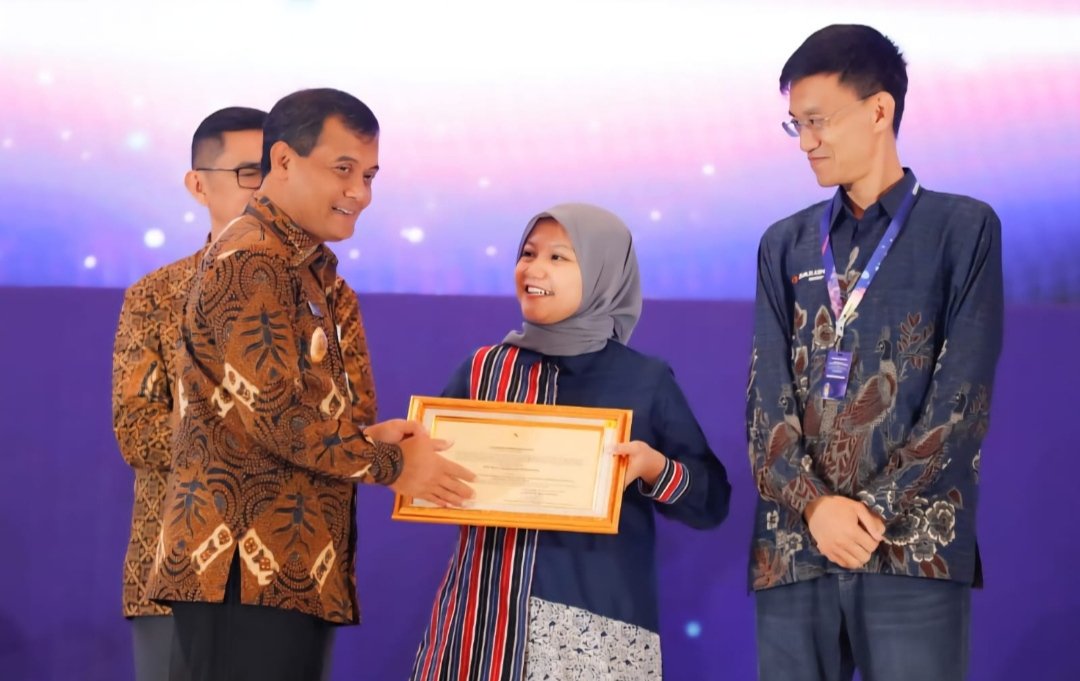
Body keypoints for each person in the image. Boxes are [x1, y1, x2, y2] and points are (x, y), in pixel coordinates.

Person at [146, 88, 474, 681]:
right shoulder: (254, 260)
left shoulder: (301, 267)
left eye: (369, 175)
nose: (360, 192)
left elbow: (276, 411)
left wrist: (364, 439)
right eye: (342, 169)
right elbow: (279, 419)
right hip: (242, 571)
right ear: (283, 161)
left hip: (285, 570)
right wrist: (394, 466)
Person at [746, 24, 1003, 681]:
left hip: (911, 549)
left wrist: (870, 512)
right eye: (795, 124)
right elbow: (764, 399)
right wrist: (815, 505)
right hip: (794, 548)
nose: (806, 141)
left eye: (818, 121)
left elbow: (962, 400)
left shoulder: (962, 228)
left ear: (879, 109)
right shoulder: (785, 243)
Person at [411, 203, 731, 680]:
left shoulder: (643, 380)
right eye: (528, 253)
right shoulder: (485, 369)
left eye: (558, 257)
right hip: (483, 623)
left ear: (604, 273)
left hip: (592, 628)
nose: (534, 269)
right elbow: (426, 466)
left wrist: (654, 469)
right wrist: (405, 461)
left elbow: (711, 502)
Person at [112, 106, 272, 681]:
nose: (267, 188)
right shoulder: (155, 295)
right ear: (198, 185)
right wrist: (261, 433)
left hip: (289, 574)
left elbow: (347, 423)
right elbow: (137, 432)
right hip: (175, 570)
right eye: (250, 172)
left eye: (279, 170)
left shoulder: (326, 296)